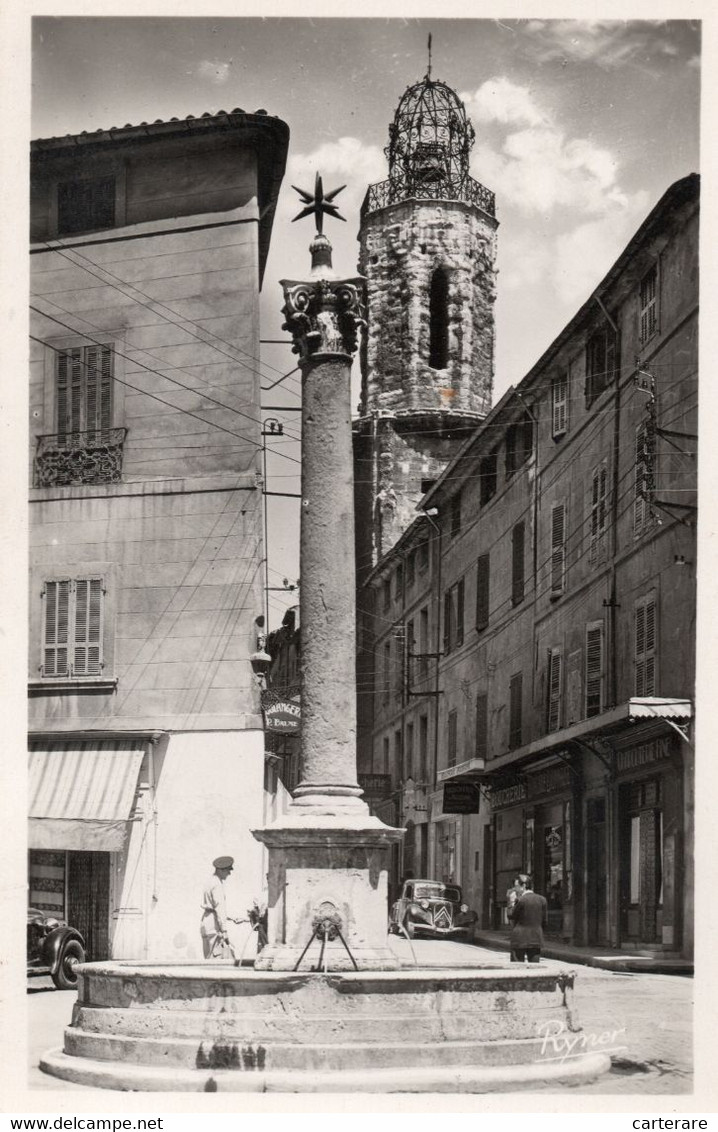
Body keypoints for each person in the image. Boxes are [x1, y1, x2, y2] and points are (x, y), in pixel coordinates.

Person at [508, 874, 548, 964]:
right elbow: (545, 921)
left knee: (517, 968)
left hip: (519, 938)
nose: (515, 889)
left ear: (524, 886)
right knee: (534, 967)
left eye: (516, 886)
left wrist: (511, 902)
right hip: (536, 937)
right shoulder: (542, 900)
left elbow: (511, 915)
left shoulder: (521, 900)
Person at [200, 855, 234, 959]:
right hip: (214, 924)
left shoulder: (210, 881)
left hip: (206, 920)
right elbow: (219, 908)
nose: (229, 873)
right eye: (228, 870)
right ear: (221, 870)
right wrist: (224, 931)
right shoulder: (217, 884)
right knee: (216, 958)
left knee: (208, 956)